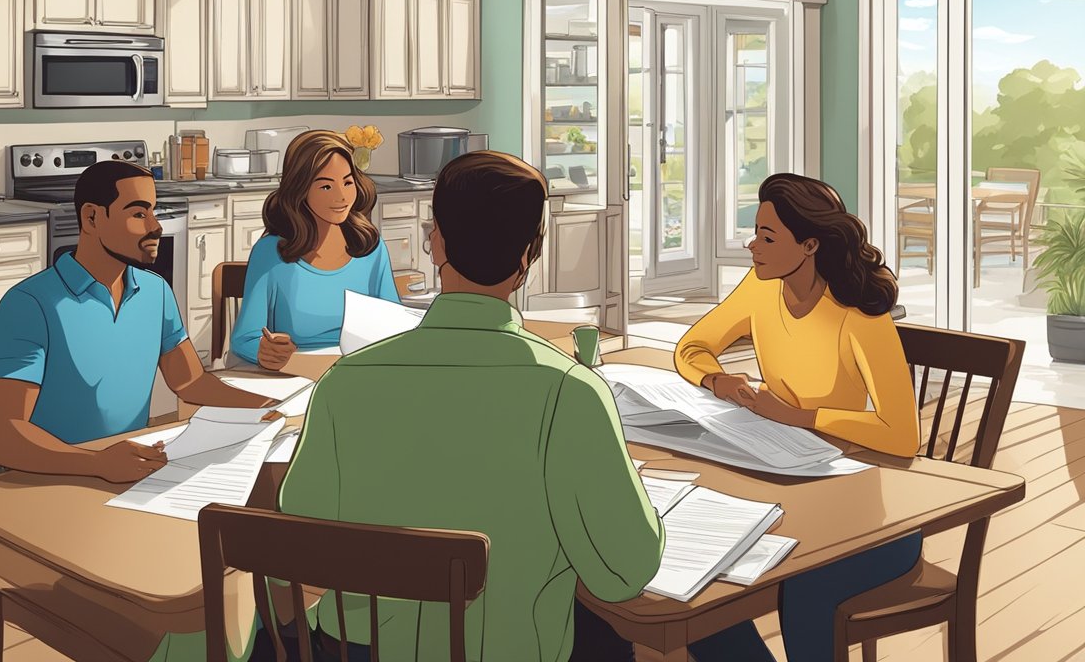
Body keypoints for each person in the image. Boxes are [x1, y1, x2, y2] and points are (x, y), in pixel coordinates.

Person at [274, 151, 664, 662]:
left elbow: (303, 536)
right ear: (529, 256)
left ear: (435, 241)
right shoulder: (571, 391)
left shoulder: (344, 384)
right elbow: (623, 573)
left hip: (367, 650)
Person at [673, 172, 922, 662]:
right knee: (699, 581)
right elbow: (693, 346)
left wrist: (800, 416)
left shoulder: (858, 316)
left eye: (767, 236)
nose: (752, 245)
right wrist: (719, 381)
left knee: (804, 591)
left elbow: (902, 436)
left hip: (870, 518)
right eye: (755, 231)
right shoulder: (762, 289)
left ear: (809, 244)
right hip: (788, 487)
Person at [0, 160, 285, 482]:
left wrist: (269, 406)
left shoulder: (156, 292)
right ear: (92, 217)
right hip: (43, 481)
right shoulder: (30, 304)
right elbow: (2, 439)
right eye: (138, 214)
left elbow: (190, 382)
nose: (155, 226)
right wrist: (96, 463)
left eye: (153, 211)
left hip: (124, 473)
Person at [230, 130, 398, 370]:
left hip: (361, 372)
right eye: (326, 187)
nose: (342, 196)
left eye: (348, 182)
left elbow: (395, 327)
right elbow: (245, 338)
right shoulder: (271, 253)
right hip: (295, 376)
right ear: (300, 190)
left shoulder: (369, 246)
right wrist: (266, 351)